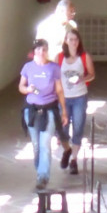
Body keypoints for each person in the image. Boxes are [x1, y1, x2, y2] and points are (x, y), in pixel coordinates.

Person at [20, 39, 67, 190]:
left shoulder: (54, 68)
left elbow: (59, 90)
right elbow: (21, 86)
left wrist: (64, 110)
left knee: (45, 144)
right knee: (36, 146)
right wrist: (28, 89)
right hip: (32, 110)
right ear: (34, 51)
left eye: (44, 50)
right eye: (39, 50)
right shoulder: (28, 67)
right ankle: (40, 169)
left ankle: (42, 177)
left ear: (48, 51)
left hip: (49, 110)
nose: (41, 52)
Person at [58, 27, 95, 175]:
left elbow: (92, 74)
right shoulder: (59, 58)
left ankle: (74, 160)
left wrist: (82, 79)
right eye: (70, 39)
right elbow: (55, 77)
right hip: (64, 98)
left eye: (76, 39)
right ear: (66, 41)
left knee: (78, 127)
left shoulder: (84, 57)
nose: (73, 42)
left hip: (80, 96)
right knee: (62, 130)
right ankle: (67, 150)